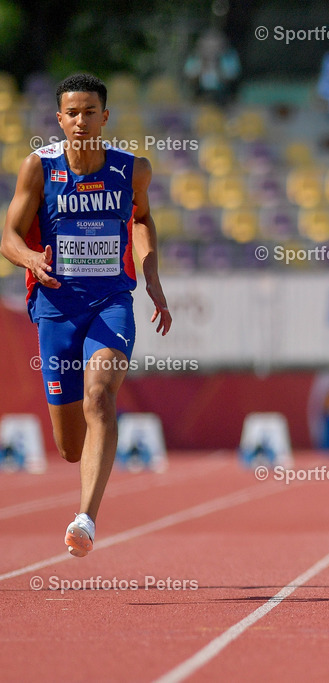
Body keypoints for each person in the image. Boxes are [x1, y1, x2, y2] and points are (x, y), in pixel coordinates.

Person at [0, 74, 172, 557]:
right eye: (72, 113)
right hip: (55, 308)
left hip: (110, 302)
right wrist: (30, 259)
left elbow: (142, 218)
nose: (81, 121)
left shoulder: (132, 169)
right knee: (69, 447)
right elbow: (9, 236)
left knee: (99, 397)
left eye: (89, 112)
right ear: (59, 119)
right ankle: (85, 470)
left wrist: (151, 275)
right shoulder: (39, 168)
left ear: (105, 117)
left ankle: (85, 519)